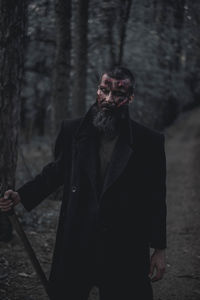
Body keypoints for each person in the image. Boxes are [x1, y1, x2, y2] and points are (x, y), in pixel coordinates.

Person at [0, 66, 167, 300]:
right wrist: (22, 195)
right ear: (97, 90)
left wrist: (159, 249)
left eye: (118, 94)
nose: (109, 99)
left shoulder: (148, 142)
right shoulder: (72, 130)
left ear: (130, 97)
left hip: (125, 243)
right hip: (78, 238)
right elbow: (56, 172)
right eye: (104, 90)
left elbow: (156, 197)